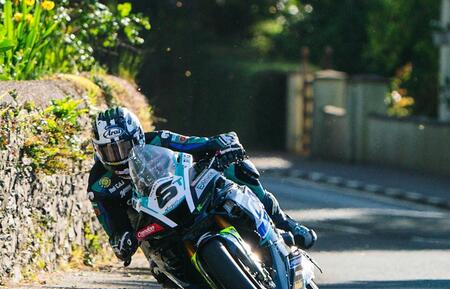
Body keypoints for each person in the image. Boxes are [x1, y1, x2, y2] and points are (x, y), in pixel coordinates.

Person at [87, 107, 316, 266]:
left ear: (138, 137)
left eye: (124, 147)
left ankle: (283, 223)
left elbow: (200, 145)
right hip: (155, 229)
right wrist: (122, 241)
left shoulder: (157, 139)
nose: (119, 157)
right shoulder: (98, 185)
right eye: (109, 151)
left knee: (238, 168)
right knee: (163, 273)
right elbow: (114, 228)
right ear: (98, 150)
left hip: (186, 196)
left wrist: (224, 145)